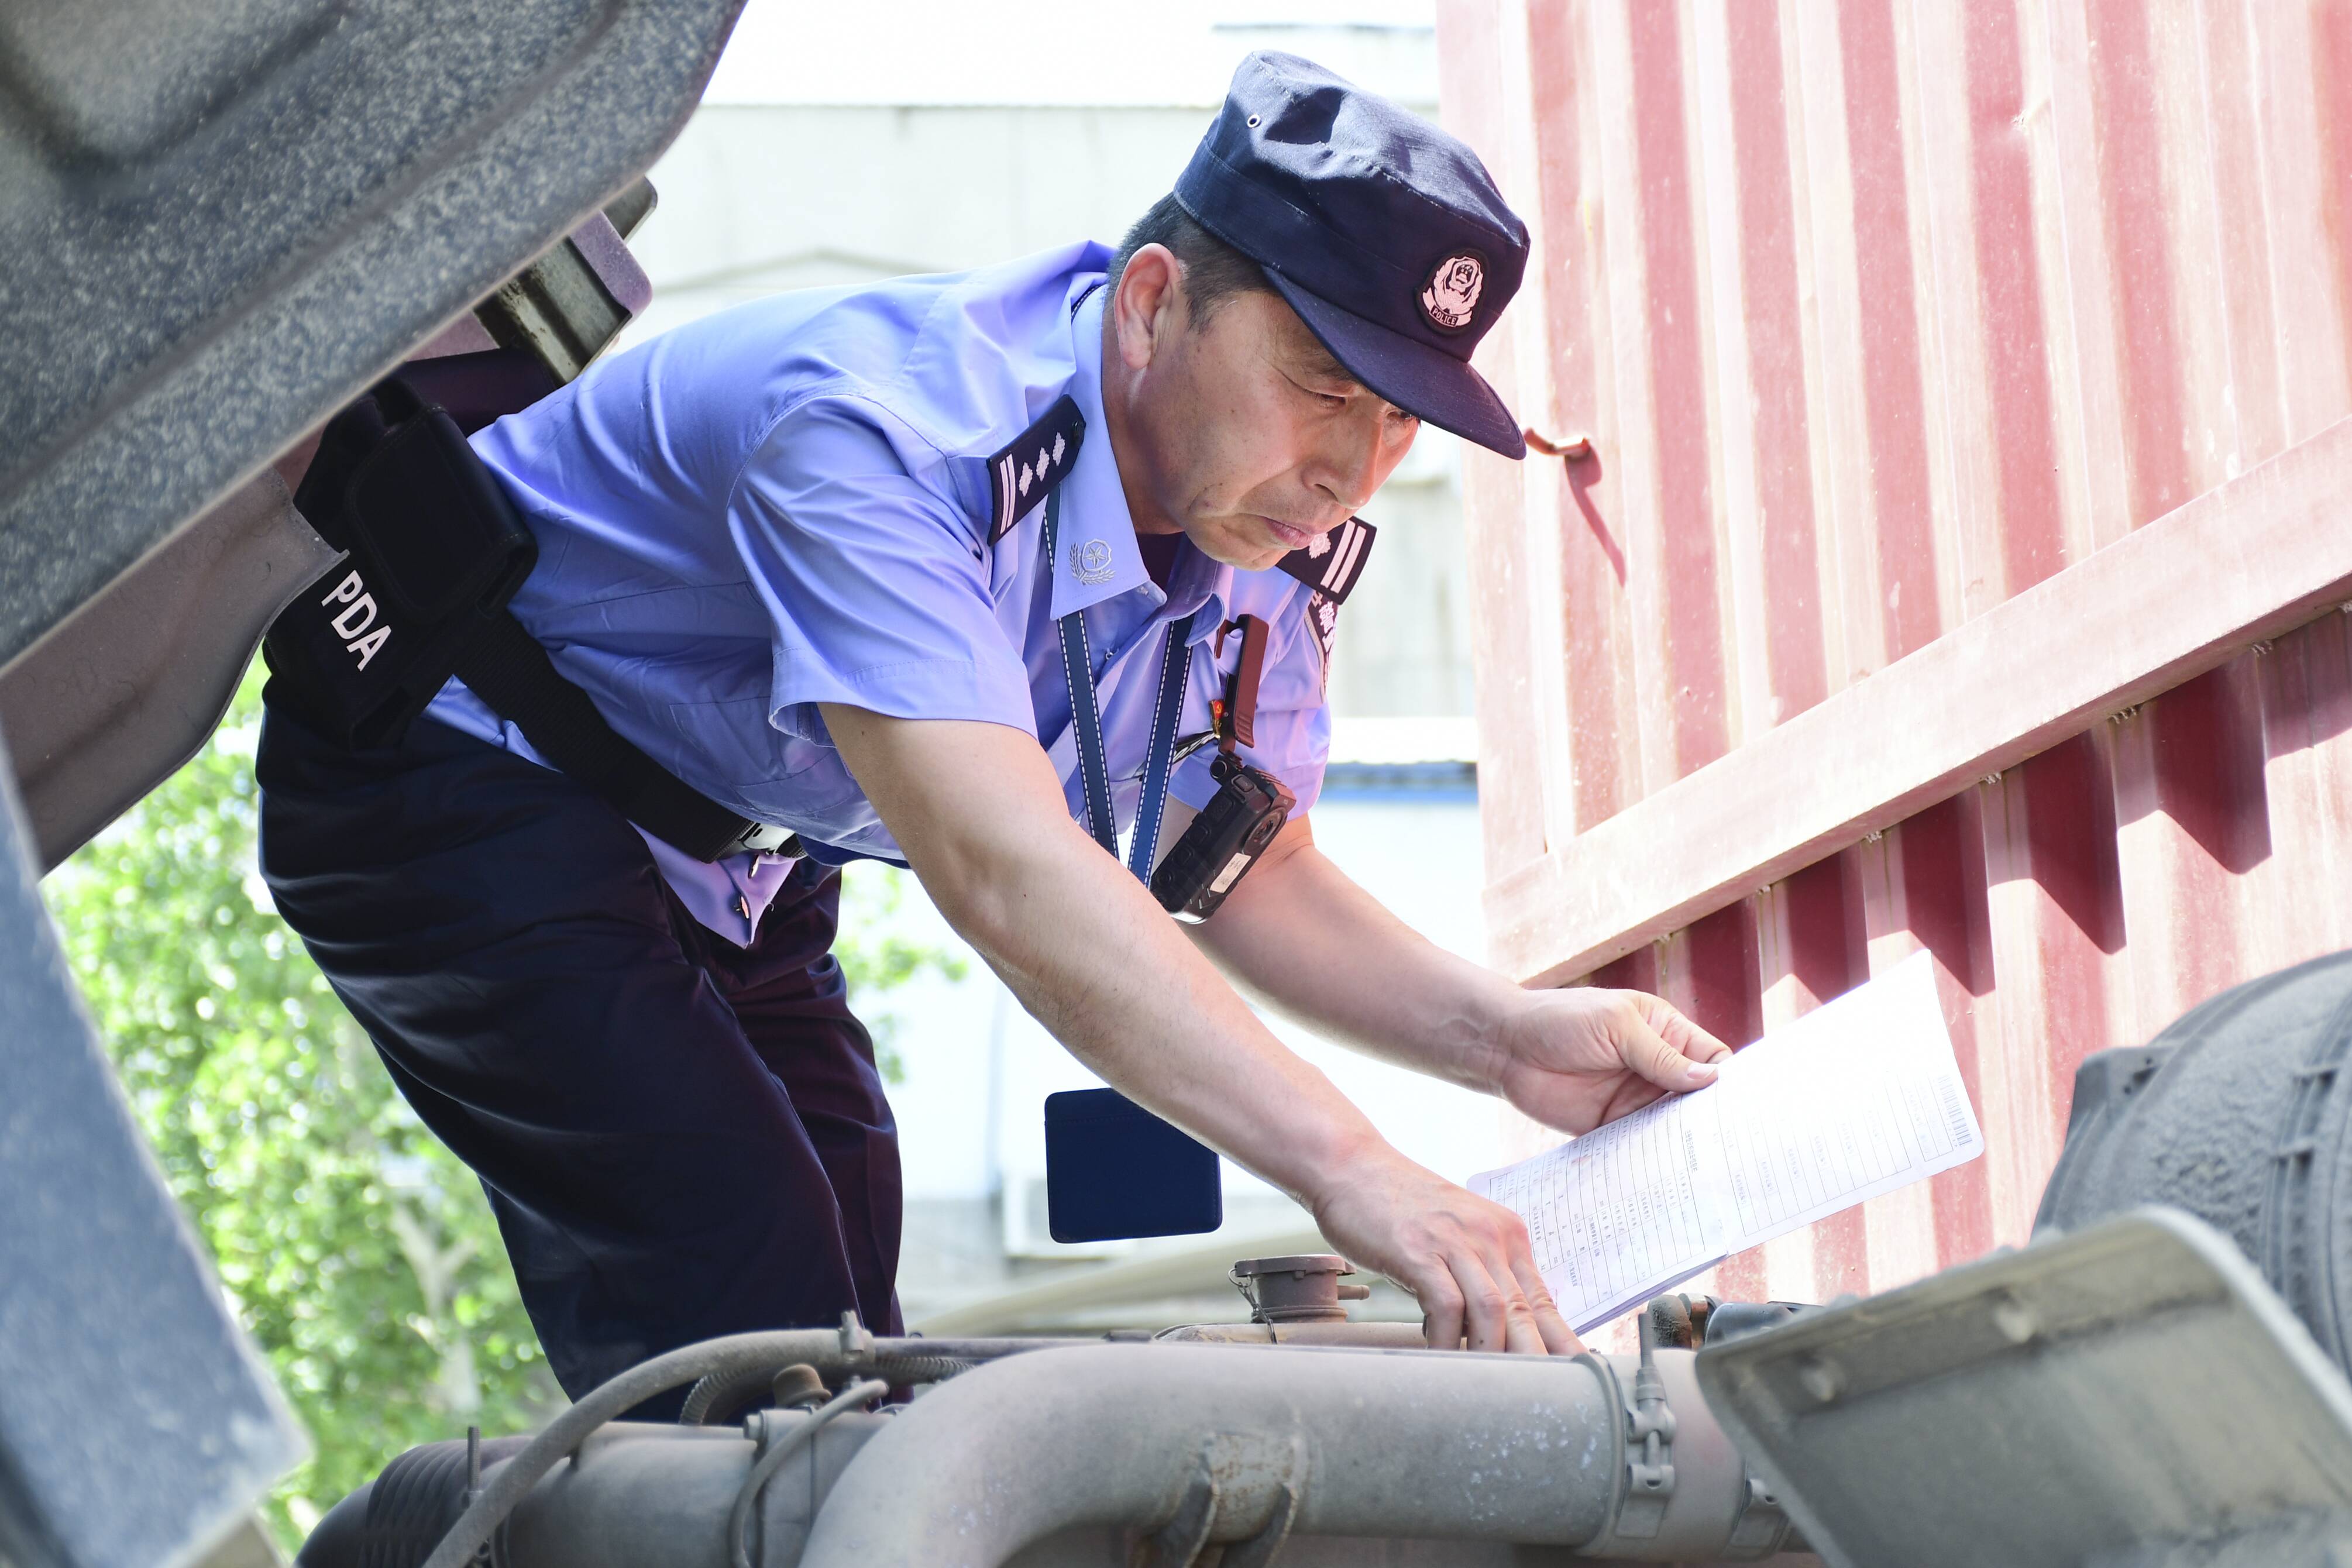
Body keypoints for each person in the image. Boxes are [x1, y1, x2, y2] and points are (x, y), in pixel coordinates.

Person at [256, 50, 1730, 1408]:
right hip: (454, 767)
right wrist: (1357, 1172)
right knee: (748, 1299)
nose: (1351, 465)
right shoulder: (885, 430)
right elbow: (1010, 873)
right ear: (1155, 301)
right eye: (1324, 388)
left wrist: (1509, 1041)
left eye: (1402, 419)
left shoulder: (1270, 529)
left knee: (854, 1337)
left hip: (736, 841)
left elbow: (1234, 863)